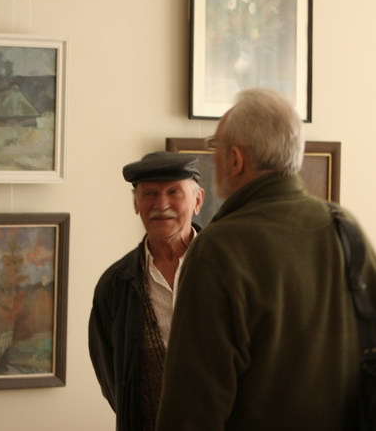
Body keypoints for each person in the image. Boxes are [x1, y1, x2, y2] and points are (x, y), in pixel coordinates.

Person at [156, 88, 376, 431]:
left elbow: (190, 412)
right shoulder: (346, 228)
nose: (213, 159)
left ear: (236, 159)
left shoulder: (219, 249)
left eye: (215, 147)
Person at [89, 151, 205, 431]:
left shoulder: (229, 271)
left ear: (198, 200)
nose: (161, 204)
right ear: (136, 204)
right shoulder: (115, 284)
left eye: (174, 192)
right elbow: (112, 380)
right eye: (150, 194)